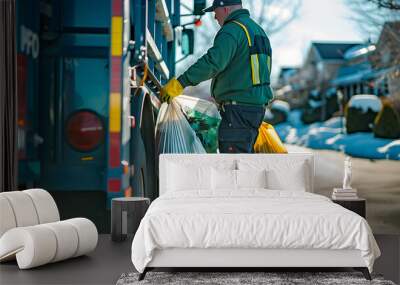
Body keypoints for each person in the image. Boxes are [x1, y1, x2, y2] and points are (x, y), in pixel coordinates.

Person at [161, 0, 274, 153]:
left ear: (226, 9)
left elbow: (212, 62)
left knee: (233, 165)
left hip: (237, 112)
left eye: (215, 11)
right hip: (254, 110)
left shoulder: (232, 30)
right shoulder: (258, 31)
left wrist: (180, 83)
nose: (215, 16)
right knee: (242, 162)